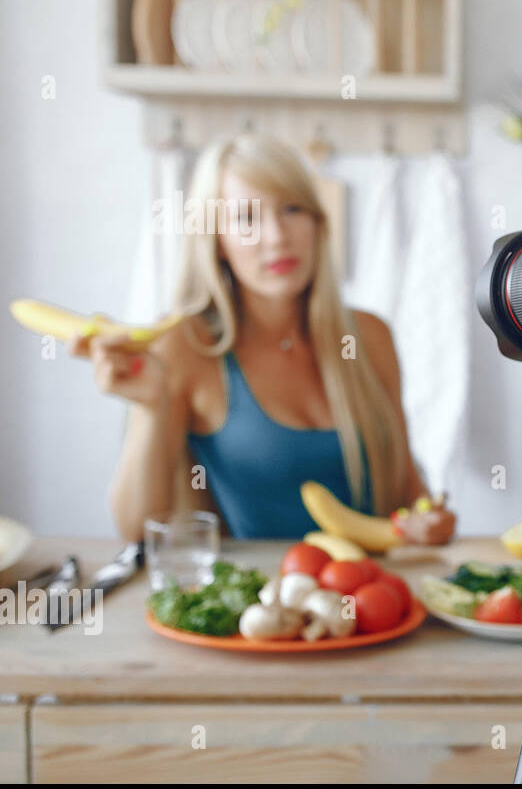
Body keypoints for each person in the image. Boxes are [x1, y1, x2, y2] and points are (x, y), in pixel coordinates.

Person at [71, 134, 442, 541]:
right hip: (257, 600)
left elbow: (408, 489)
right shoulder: (185, 346)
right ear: (217, 242)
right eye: (246, 218)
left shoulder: (370, 336)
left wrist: (431, 521)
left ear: (318, 224)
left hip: (375, 595)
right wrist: (151, 406)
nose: (277, 237)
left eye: (292, 209)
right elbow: (136, 528)